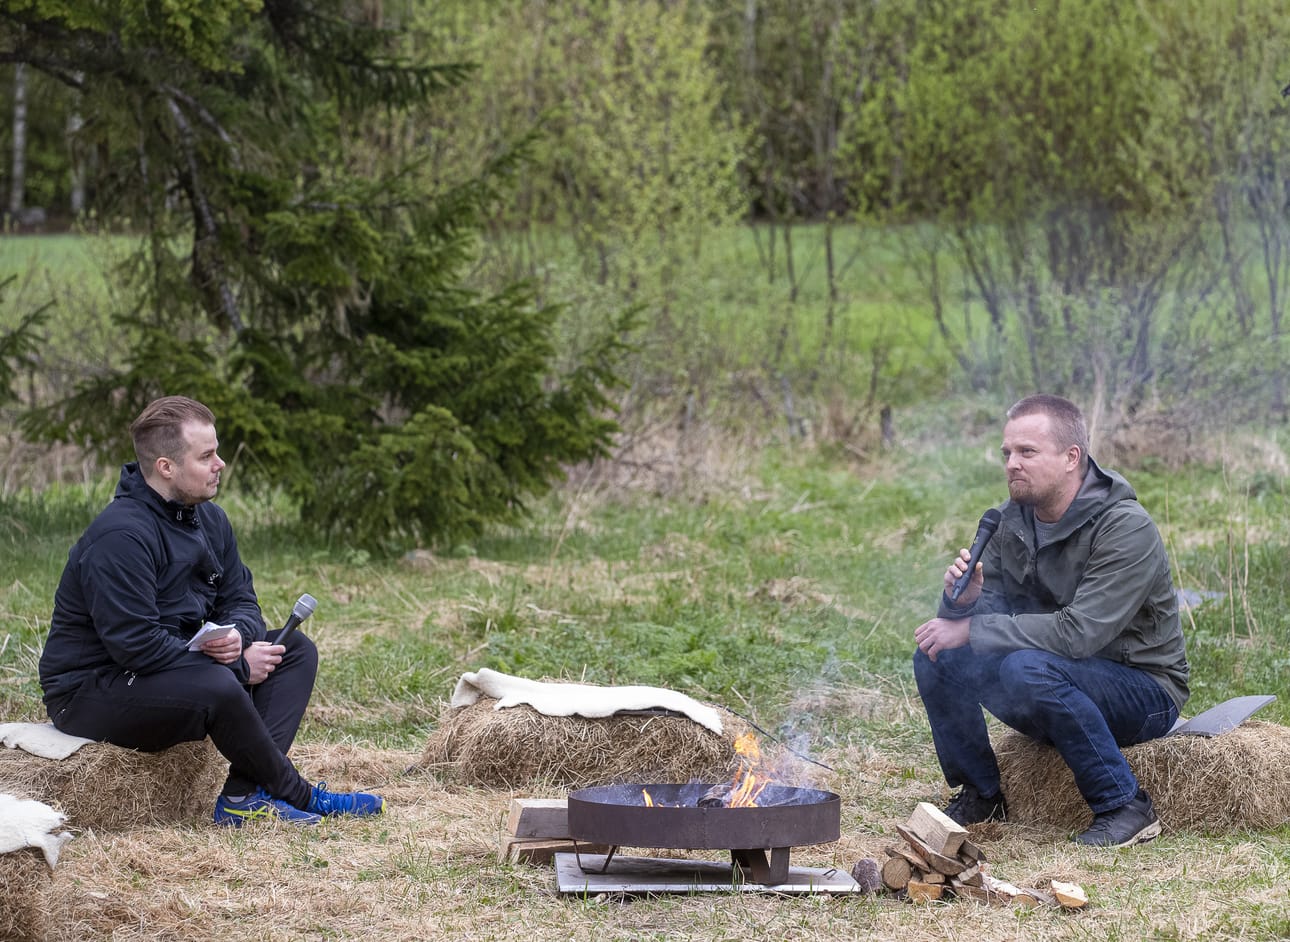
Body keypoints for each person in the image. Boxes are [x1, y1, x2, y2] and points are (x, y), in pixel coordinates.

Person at [39, 396, 385, 827]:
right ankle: (300, 793)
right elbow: (136, 647)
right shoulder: (120, 536)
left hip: (175, 670)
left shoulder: (210, 520)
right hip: (92, 690)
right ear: (167, 466)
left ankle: (243, 795)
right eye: (206, 456)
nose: (220, 463)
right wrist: (238, 666)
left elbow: (242, 598)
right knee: (218, 683)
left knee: (293, 649)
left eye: (216, 452)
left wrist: (239, 636)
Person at [913, 394, 1188, 848]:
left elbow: (1080, 634)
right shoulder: (1008, 520)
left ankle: (1125, 807)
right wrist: (963, 603)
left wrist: (973, 627)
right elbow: (990, 620)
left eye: (1027, 452)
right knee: (937, 654)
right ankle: (981, 794)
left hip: (1143, 689)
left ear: (1070, 458)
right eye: (1007, 453)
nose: (1011, 465)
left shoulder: (1124, 526)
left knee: (1025, 667)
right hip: (1053, 677)